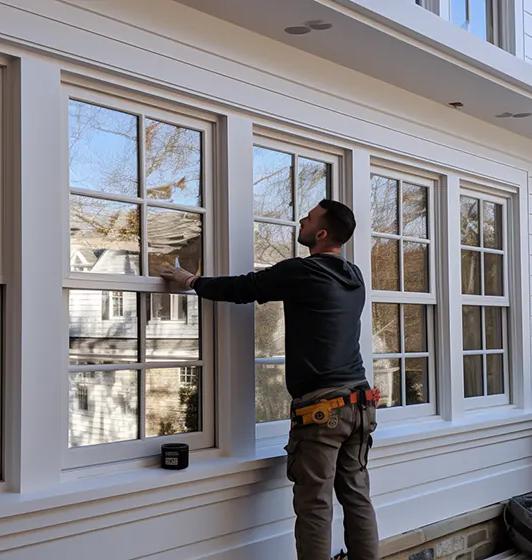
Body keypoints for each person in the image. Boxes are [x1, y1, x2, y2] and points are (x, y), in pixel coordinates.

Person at [161, 199, 379, 560]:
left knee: (314, 504)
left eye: (308, 219)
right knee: (356, 496)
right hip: (360, 403)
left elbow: (245, 287)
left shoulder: (304, 272)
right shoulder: (354, 276)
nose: (301, 221)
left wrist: (193, 281)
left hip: (324, 411)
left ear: (321, 233)